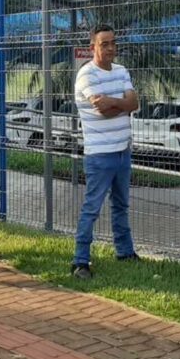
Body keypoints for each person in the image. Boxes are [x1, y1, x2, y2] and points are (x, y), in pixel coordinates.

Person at [71, 24, 139, 280]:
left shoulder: (121, 70)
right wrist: (123, 104)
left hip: (123, 150)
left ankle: (125, 251)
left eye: (113, 43)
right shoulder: (87, 75)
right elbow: (102, 109)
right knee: (92, 208)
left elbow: (135, 103)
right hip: (100, 155)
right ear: (92, 47)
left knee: (121, 204)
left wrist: (116, 103)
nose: (110, 48)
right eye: (104, 44)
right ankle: (80, 261)